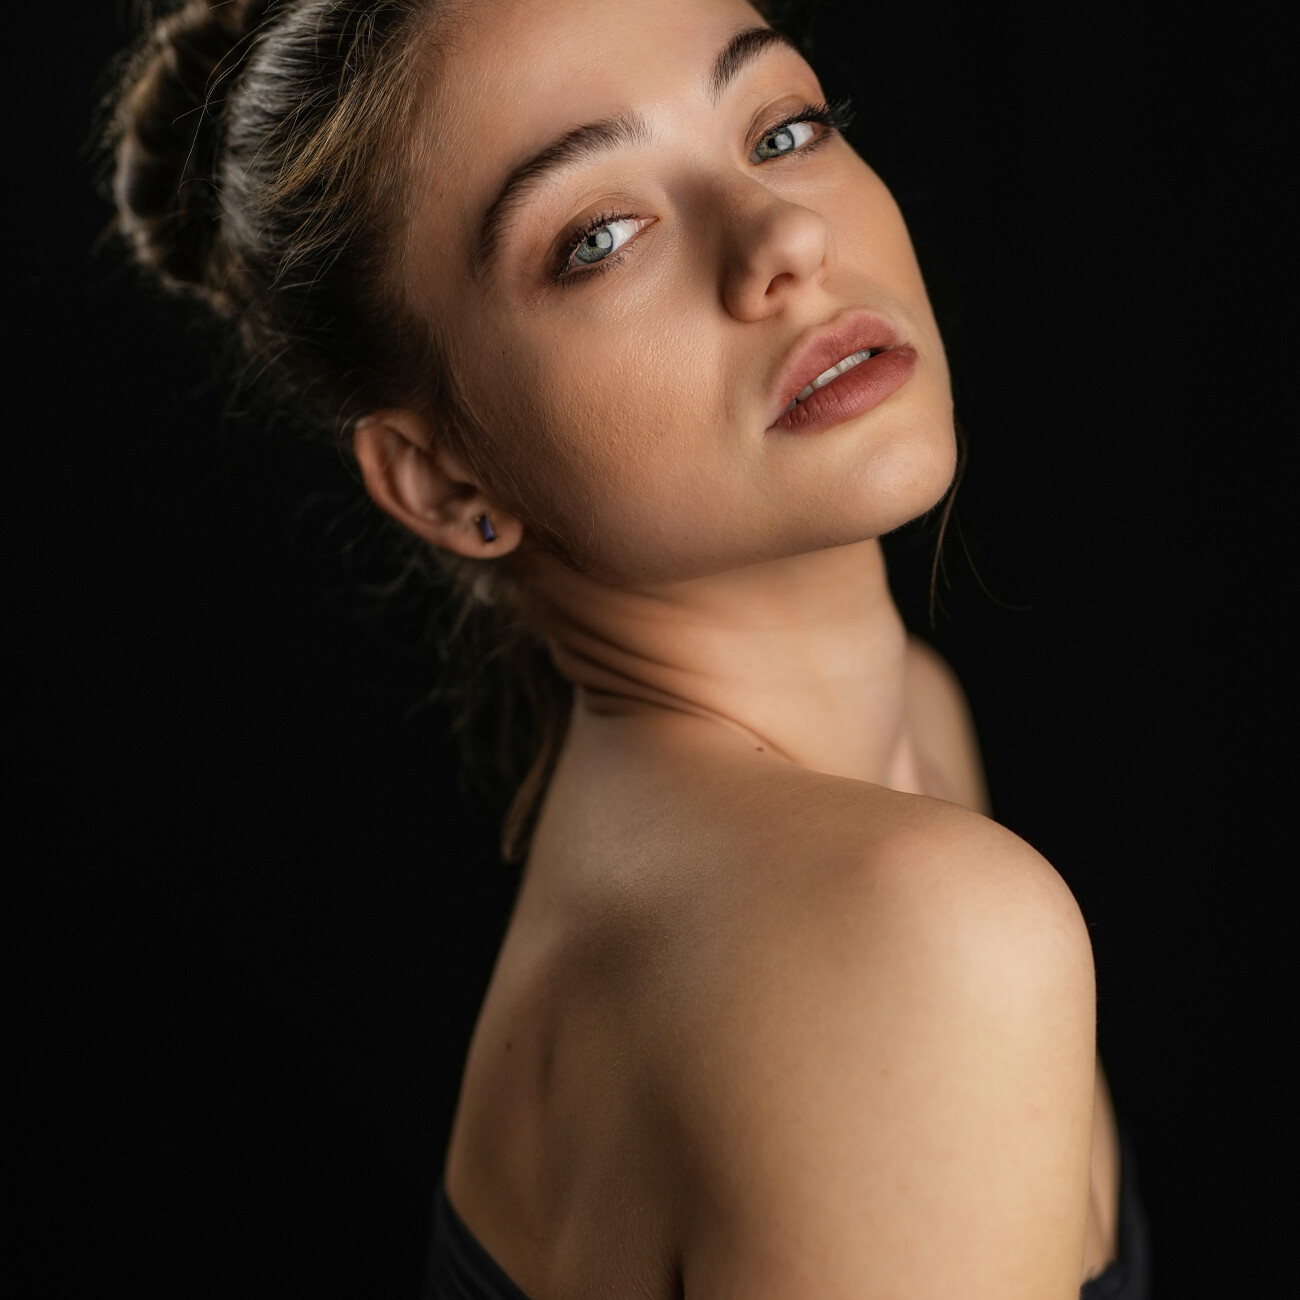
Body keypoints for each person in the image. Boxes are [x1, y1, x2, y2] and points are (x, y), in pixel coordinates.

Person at [103, 1, 1150, 1295]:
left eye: (783, 127)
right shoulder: (898, 931)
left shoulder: (891, 755)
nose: (785, 237)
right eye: (598, 237)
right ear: (444, 479)